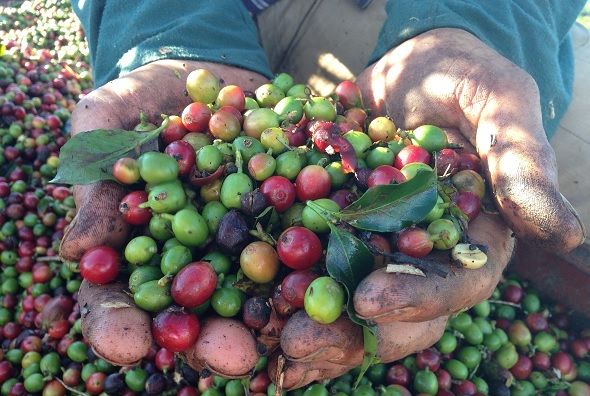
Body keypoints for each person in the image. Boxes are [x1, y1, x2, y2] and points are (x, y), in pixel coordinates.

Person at [62, 0, 587, 389]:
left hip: (433, 31)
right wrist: (168, 32)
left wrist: (483, 27)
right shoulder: (237, 187)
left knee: (545, 169)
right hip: (231, 15)